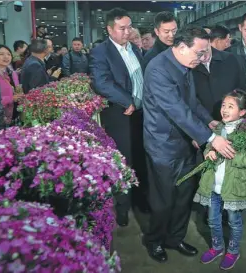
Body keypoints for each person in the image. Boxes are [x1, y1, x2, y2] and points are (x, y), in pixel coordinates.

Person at [142, 25, 235, 263]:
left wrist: (210, 122)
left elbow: (191, 103)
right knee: (163, 200)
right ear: (181, 47)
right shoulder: (158, 69)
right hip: (163, 146)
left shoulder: (185, 65)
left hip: (185, 143)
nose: (203, 58)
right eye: (200, 52)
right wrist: (212, 139)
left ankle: (175, 238)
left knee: (184, 196)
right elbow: (177, 110)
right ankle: (155, 240)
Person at [89, 8, 146, 226]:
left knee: (140, 157)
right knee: (124, 161)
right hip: (120, 114)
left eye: (129, 27)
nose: (127, 31)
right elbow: (101, 82)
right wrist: (127, 101)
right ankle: (122, 208)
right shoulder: (101, 52)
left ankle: (139, 201)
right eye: (122, 28)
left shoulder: (134, 49)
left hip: (141, 113)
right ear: (110, 29)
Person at [195, 90, 246, 270]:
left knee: (234, 221)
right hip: (214, 186)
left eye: (230, 106)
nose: (224, 110)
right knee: (212, 220)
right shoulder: (218, 128)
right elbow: (209, 146)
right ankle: (217, 247)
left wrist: (233, 155)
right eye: (223, 105)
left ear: (242, 112)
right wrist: (208, 152)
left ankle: (233, 251)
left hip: (234, 187)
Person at [0, 45, 21, 125]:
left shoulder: (12, 73)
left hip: (13, 113)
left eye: (8, 54)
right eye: (1, 54)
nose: (6, 57)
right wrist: (10, 98)